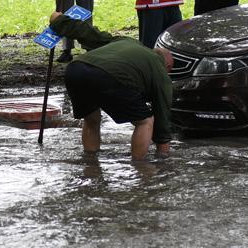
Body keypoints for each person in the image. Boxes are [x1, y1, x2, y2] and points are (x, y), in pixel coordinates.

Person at [49, 11, 174, 159]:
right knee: (145, 121)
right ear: (167, 67)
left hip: (76, 70)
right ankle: (141, 169)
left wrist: (60, 21)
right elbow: (162, 113)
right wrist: (163, 153)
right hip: (109, 76)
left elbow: (90, 34)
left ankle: (90, 164)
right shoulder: (160, 71)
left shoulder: (127, 42)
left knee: (92, 120)